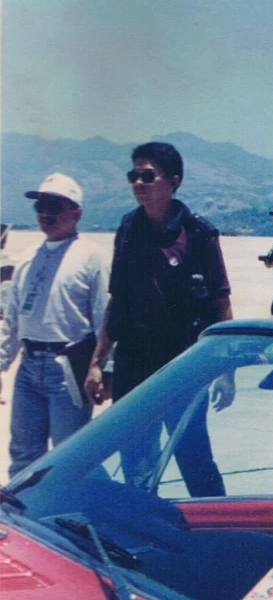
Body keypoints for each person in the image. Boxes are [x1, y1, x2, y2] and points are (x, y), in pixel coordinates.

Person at [84, 141, 233, 497]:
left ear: (173, 181)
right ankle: (141, 531)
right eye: (133, 176)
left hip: (181, 362)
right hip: (134, 360)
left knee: (193, 453)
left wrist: (226, 370)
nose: (138, 183)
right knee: (135, 455)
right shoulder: (128, 228)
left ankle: (218, 527)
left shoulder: (198, 233)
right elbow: (116, 301)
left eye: (148, 176)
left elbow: (221, 302)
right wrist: (97, 362)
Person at [0, 174, 110, 478]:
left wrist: (102, 367)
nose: (46, 214)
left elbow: (105, 317)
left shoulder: (92, 257)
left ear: (77, 213)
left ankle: (72, 519)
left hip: (68, 370)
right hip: (29, 366)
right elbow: (12, 320)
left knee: (68, 453)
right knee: (24, 452)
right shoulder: (26, 259)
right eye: (41, 207)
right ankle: (22, 519)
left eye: (55, 207)